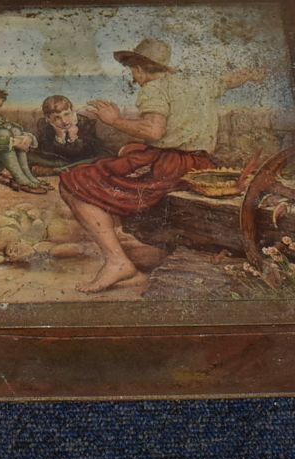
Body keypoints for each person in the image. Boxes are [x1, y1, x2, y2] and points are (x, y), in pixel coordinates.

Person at [58, 38, 263, 293]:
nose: (133, 77)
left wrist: (114, 120)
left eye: (133, 70)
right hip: (202, 162)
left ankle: (117, 261)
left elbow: (153, 130)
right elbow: (231, 80)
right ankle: (121, 239)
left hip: (172, 164)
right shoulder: (199, 82)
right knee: (125, 154)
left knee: (74, 181)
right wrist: (255, 73)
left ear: (141, 68)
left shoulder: (154, 88)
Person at [30, 94, 104, 172]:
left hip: (81, 159)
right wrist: (59, 139)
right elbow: (46, 152)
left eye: (66, 114)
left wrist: (74, 138)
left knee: (98, 158)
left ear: (72, 111)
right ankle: (62, 169)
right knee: (29, 156)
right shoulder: (44, 125)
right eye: (57, 117)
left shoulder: (85, 123)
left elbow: (85, 153)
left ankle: (59, 169)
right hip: (58, 160)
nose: (64, 121)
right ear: (48, 118)